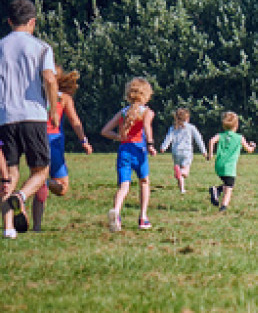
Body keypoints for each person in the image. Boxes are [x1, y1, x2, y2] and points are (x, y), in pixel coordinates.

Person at [0, 0, 59, 239]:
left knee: (9, 176)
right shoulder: (41, 47)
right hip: (33, 115)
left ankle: (8, 228)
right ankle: (21, 197)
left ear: (9, 21)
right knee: (41, 171)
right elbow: (49, 79)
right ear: (32, 22)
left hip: (5, 117)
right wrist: (53, 109)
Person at [31, 65, 94, 232]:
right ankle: (43, 182)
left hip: (34, 138)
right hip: (53, 141)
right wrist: (84, 141)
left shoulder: (34, 96)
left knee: (37, 179)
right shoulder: (64, 98)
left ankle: (37, 226)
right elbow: (74, 121)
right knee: (62, 187)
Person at [100, 77, 157, 232]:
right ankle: (143, 217)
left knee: (124, 185)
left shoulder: (123, 112)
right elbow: (146, 127)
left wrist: (120, 137)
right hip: (139, 150)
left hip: (124, 150)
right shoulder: (147, 112)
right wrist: (150, 144)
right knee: (144, 182)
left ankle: (116, 212)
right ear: (146, 95)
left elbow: (105, 131)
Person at [207, 112, 256, 212]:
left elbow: (211, 141)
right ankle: (223, 207)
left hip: (219, 166)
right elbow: (249, 150)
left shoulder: (220, 135)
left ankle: (217, 190)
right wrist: (253, 146)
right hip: (229, 167)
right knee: (229, 188)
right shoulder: (239, 138)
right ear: (236, 125)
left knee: (226, 183)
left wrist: (210, 154)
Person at [160, 108, 207, 194]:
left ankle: (182, 189)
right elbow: (198, 139)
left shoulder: (173, 128)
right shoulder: (191, 127)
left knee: (179, 172)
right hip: (187, 152)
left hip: (176, 152)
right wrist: (203, 151)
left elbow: (168, 138)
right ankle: (180, 172)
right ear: (187, 118)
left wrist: (164, 147)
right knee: (185, 172)